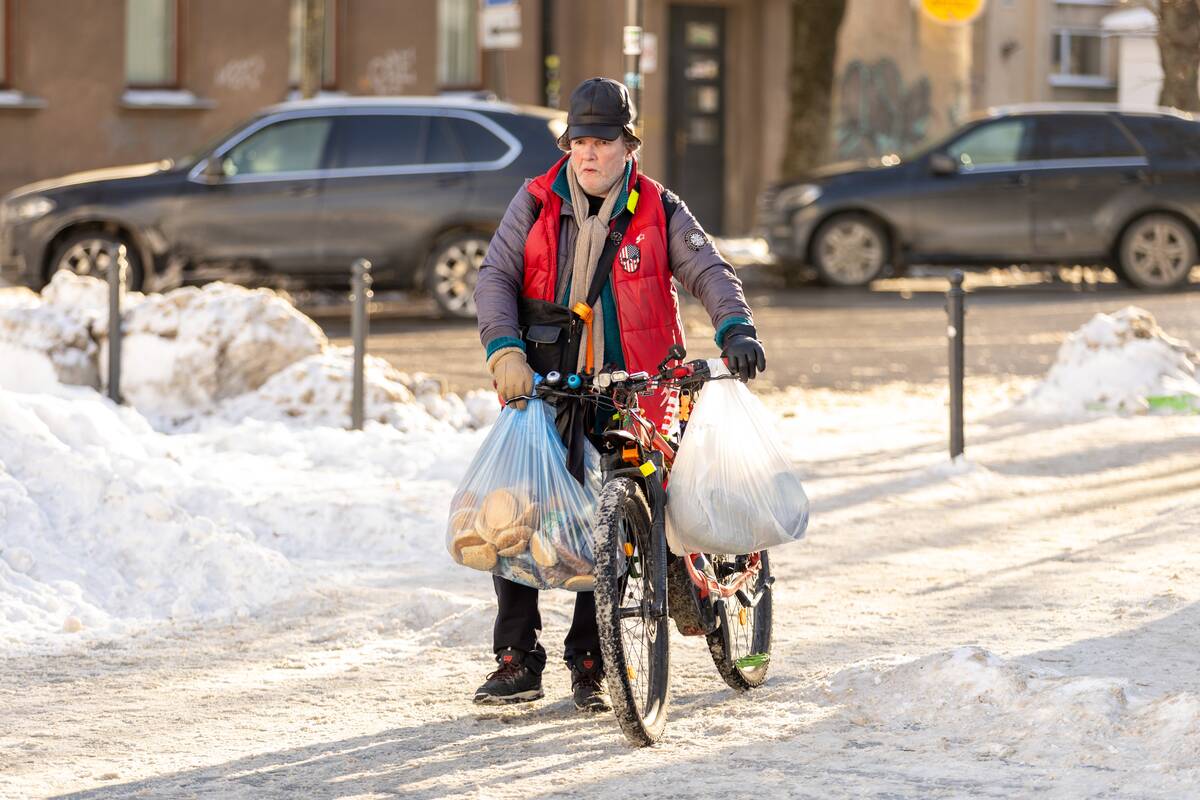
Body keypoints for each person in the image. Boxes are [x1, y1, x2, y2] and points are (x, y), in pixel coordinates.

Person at [472, 77, 766, 711]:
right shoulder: (534, 202)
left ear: (627, 146)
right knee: (517, 514)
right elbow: (496, 275)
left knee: (611, 522)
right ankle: (517, 658)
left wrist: (735, 326)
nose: (588, 153)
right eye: (578, 141)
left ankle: (591, 660)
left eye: (601, 141)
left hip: (634, 386)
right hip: (548, 380)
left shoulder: (659, 208)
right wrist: (504, 348)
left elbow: (707, 269)